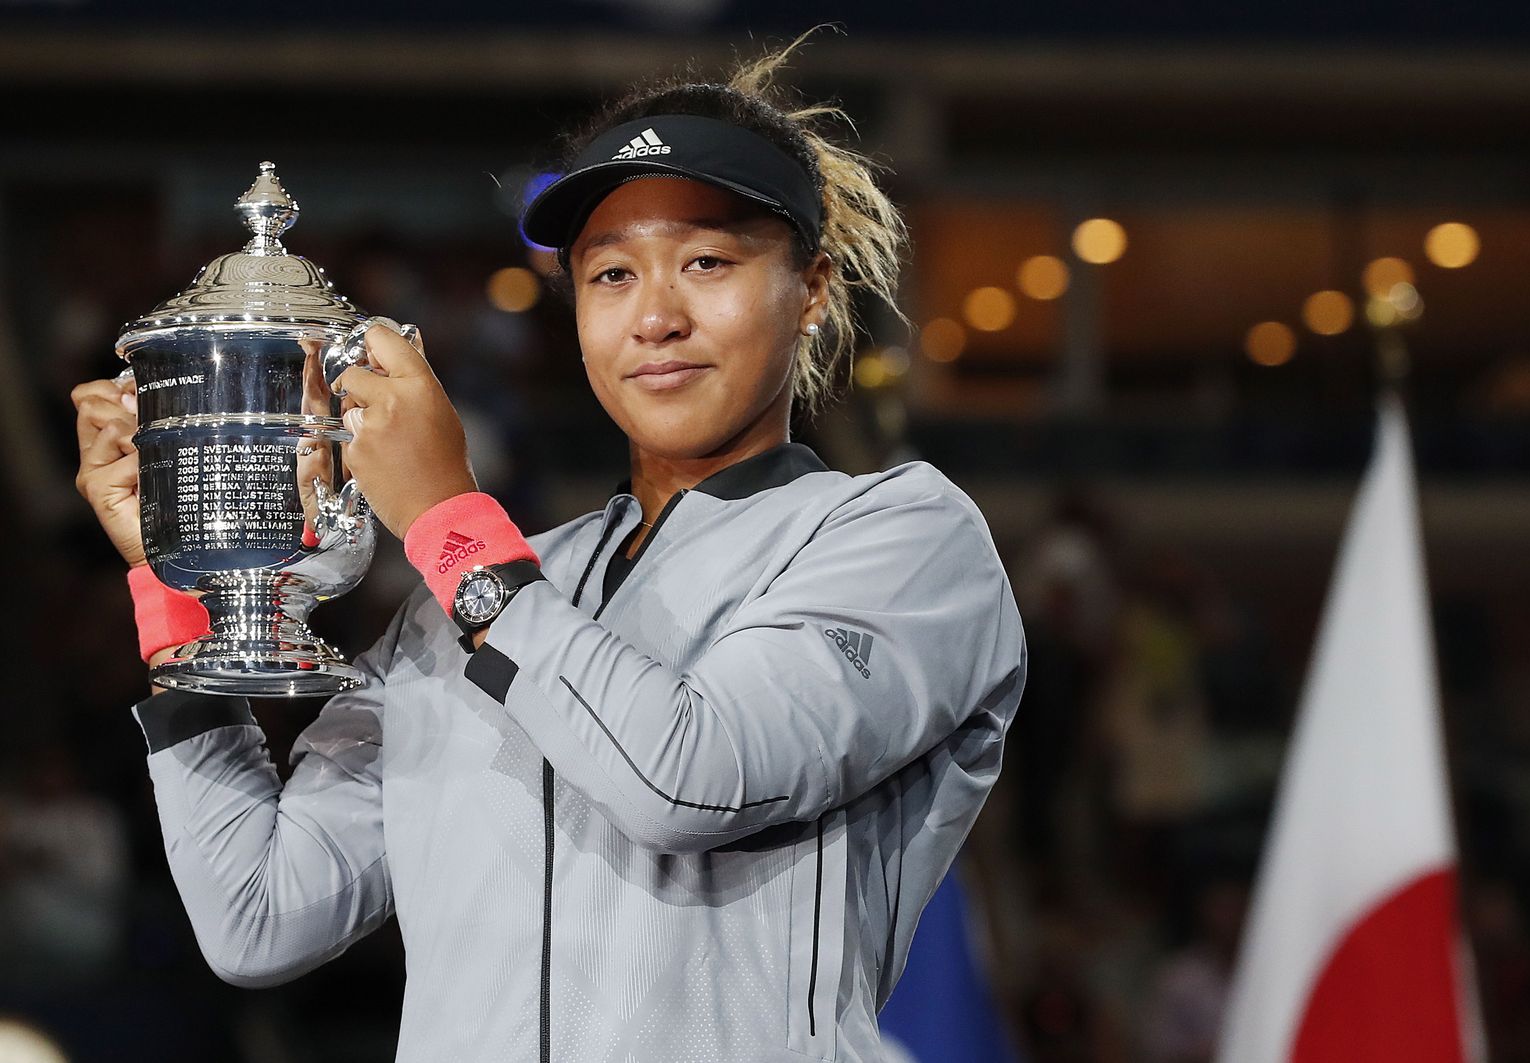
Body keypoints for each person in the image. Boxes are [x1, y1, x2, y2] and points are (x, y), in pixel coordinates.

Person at [71, 36, 1027, 1063]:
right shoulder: (455, 604)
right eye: (611, 274)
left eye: (707, 262)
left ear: (814, 290)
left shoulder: (902, 538)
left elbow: (689, 778)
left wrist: (449, 521)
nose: (655, 317)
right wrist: (184, 594)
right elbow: (258, 916)